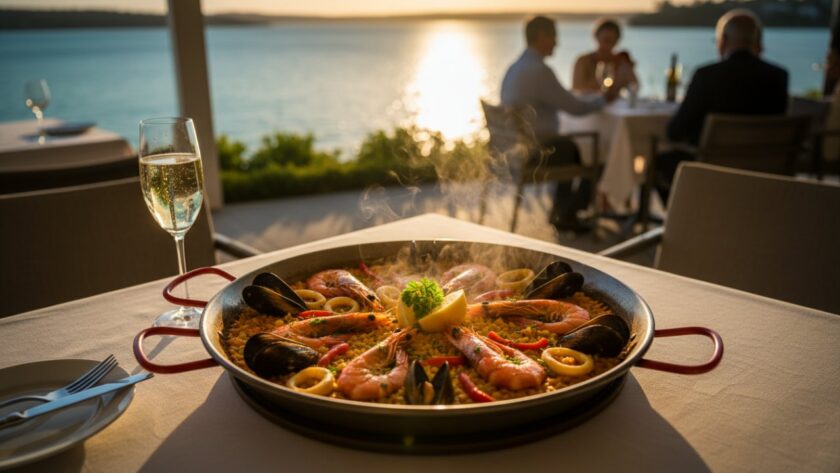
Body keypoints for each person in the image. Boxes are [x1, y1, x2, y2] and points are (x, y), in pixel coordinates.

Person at [500, 15, 628, 233]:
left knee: (571, 146)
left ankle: (562, 212)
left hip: (514, 151)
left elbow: (561, 99)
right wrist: (604, 98)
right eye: (554, 37)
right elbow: (575, 108)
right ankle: (567, 213)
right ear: (542, 37)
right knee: (599, 152)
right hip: (536, 154)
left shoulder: (515, 68)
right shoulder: (540, 71)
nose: (557, 43)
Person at [654, 9, 789, 203]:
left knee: (658, 159)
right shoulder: (778, 76)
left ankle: (684, 222)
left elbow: (675, 131)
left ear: (723, 40)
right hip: (764, 172)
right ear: (757, 42)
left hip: (712, 171)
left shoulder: (706, 76)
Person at [572, 18, 639, 94]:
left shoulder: (620, 61)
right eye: (605, 40)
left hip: (614, 105)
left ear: (617, 41)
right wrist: (601, 80)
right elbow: (576, 90)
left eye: (611, 41)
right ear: (596, 37)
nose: (607, 45)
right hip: (588, 104)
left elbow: (635, 86)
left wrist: (629, 70)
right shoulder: (583, 61)